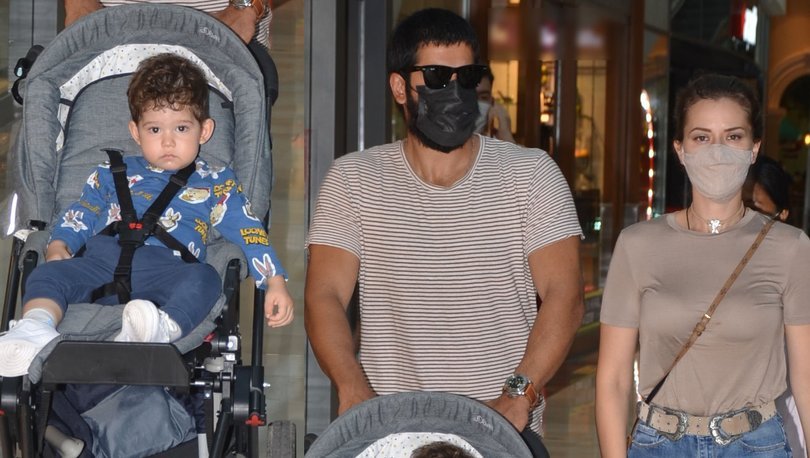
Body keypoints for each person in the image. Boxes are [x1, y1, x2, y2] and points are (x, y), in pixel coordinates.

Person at [305, 7, 584, 436]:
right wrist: (352, 386)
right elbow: (323, 295)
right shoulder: (354, 179)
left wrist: (519, 394)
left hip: (500, 426)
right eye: (436, 77)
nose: (454, 92)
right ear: (400, 87)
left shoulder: (530, 174)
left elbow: (565, 295)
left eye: (466, 77)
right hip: (394, 428)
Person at [0, 53, 294, 377]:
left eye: (181, 128)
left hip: (170, 270)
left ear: (204, 130)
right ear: (136, 132)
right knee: (48, 274)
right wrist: (60, 243)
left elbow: (248, 230)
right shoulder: (110, 172)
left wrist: (274, 281)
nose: (168, 141)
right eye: (154, 129)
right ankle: (35, 327)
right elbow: (82, 212)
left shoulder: (216, 181)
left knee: (207, 279)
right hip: (101, 262)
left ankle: (162, 328)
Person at [595, 73, 810, 457]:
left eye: (733, 136)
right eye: (702, 137)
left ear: (754, 148)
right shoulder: (637, 245)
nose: (718, 151)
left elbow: (806, 377)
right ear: (680, 150)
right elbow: (612, 380)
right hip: (658, 444)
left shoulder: (790, 247)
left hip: (756, 445)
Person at [745, 155, 805, 457]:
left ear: (782, 215)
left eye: (757, 210)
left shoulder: (795, 265)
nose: (745, 221)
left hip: (780, 413)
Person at [474, 67, 515, 142]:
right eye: (468, 97)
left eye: (483, 97)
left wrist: (506, 137)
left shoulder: (503, 143)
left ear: (492, 102)